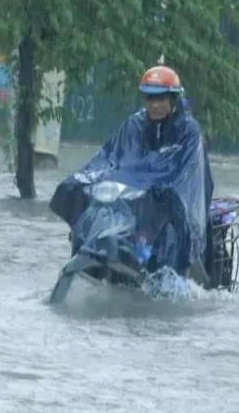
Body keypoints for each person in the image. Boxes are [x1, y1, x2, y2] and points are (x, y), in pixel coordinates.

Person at [76, 65, 214, 281]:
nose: (155, 105)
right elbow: (113, 156)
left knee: (167, 235)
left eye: (161, 99)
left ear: (173, 100)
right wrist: (90, 176)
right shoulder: (134, 125)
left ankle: (171, 276)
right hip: (135, 201)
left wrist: (164, 189)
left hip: (172, 205)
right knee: (95, 215)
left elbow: (190, 174)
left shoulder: (189, 131)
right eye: (150, 99)